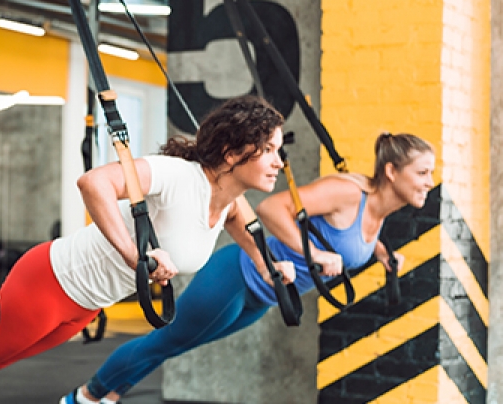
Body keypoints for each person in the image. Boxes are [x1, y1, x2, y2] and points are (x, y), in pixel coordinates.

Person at [0, 95, 292, 403]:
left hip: (86, 304)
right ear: (233, 153)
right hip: (49, 284)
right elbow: (93, 183)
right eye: (269, 150)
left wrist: (268, 266)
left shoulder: (225, 200)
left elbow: (242, 225)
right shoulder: (178, 176)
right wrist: (137, 258)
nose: (278, 162)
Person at [61, 132, 435, 404]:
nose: (429, 182)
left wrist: (382, 254)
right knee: (164, 341)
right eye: (422, 173)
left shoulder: (380, 210)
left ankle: (108, 396)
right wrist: (316, 257)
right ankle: (85, 396)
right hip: (239, 277)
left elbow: (354, 241)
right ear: (391, 171)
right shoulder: (349, 192)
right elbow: (273, 209)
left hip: (265, 296)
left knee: (172, 347)